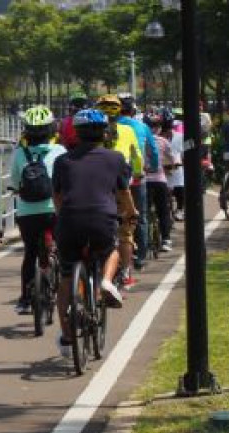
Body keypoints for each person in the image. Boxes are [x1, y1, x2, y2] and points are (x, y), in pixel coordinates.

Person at [52, 108, 136, 358]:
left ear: (76, 133)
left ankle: (67, 338)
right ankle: (107, 282)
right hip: (102, 219)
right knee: (110, 251)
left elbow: (57, 196)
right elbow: (123, 194)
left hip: (69, 222)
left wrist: (63, 215)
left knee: (66, 278)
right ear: (103, 133)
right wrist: (131, 213)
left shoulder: (62, 161)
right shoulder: (115, 158)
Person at [8, 105, 66, 314]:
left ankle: (25, 300)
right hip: (54, 210)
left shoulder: (18, 154)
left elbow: (14, 184)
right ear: (51, 129)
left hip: (27, 212)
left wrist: (16, 189)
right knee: (62, 247)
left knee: (30, 253)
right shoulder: (60, 152)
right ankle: (63, 285)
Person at [96, 94, 143, 290]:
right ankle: (125, 273)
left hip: (98, 188)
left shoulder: (93, 132)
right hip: (122, 188)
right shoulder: (128, 130)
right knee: (125, 232)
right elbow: (137, 155)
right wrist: (139, 172)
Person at [117, 94, 158, 267]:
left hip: (115, 181)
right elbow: (153, 151)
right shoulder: (142, 127)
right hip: (136, 178)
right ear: (133, 110)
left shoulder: (110, 127)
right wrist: (154, 167)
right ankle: (141, 255)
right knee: (140, 216)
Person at [144, 112, 176, 252]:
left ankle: (142, 244)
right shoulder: (163, 141)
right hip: (159, 180)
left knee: (143, 213)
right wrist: (171, 166)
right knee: (163, 211)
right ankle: (166, 239)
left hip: (143, 181)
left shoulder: (140, 139)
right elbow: (172, 160)